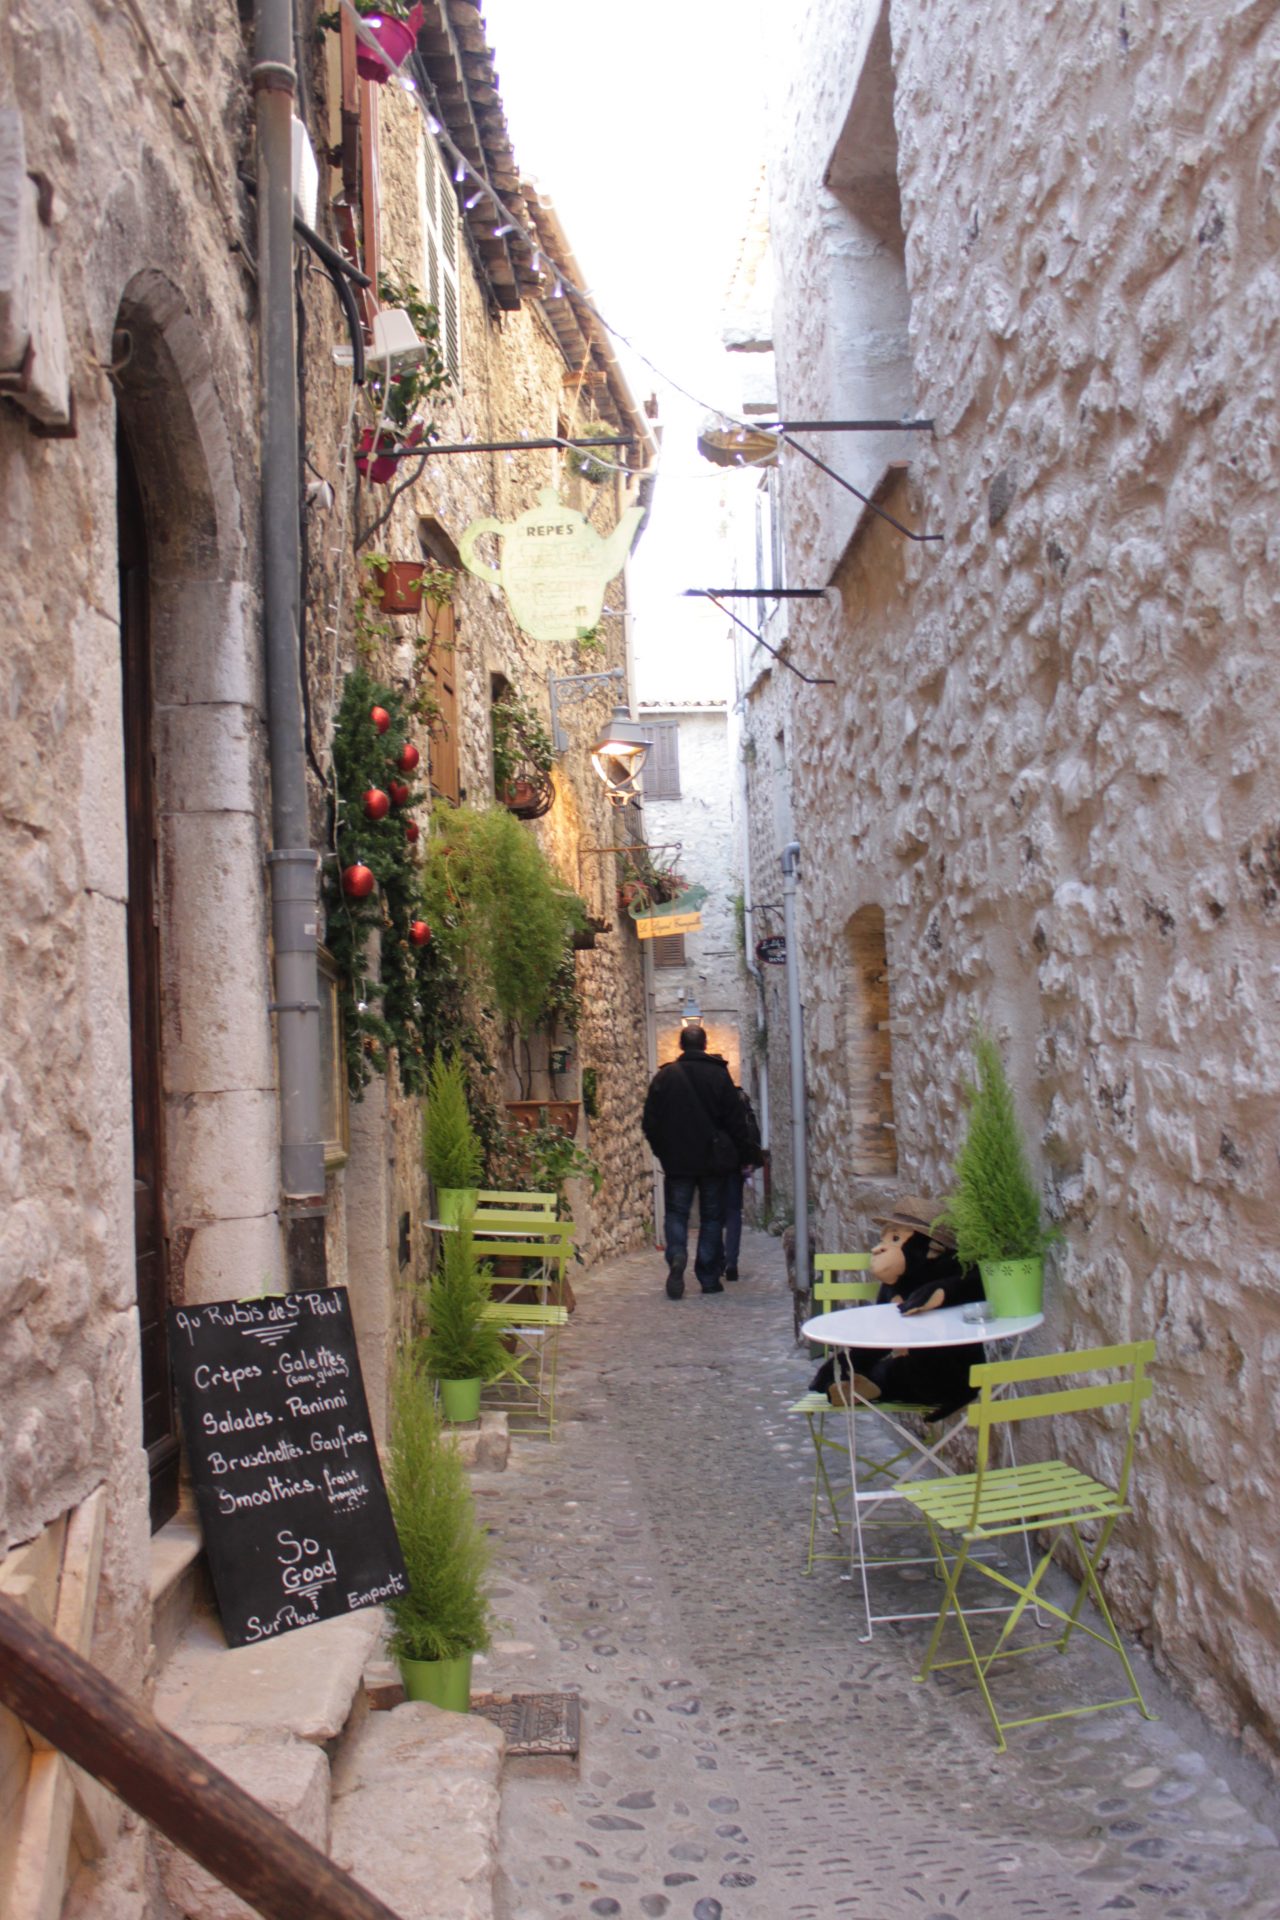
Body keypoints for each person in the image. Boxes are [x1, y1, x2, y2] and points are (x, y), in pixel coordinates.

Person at [642, 1025, 756, 1299]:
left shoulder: (664, 1077)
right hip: (713, 1161)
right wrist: (745, 1153)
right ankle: (707, 1276)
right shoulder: (718, 1075)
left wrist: (663, 1151)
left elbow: (650, 1123)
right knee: (712, 1216)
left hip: (678, 1161)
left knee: (676, 1213)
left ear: (681, 1045)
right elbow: (735, 1120)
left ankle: (677, 1254)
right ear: (705, 1045)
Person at [721, 1084, 763, 1282]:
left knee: (711, 1215)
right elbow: (747, 1132)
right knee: (733, 1212)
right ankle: (731, 1261)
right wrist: (747, 1160)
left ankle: (716, 1260)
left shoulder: (706, 1095)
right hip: (734, 1163)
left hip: (712, 1164)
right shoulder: (739, 1097)